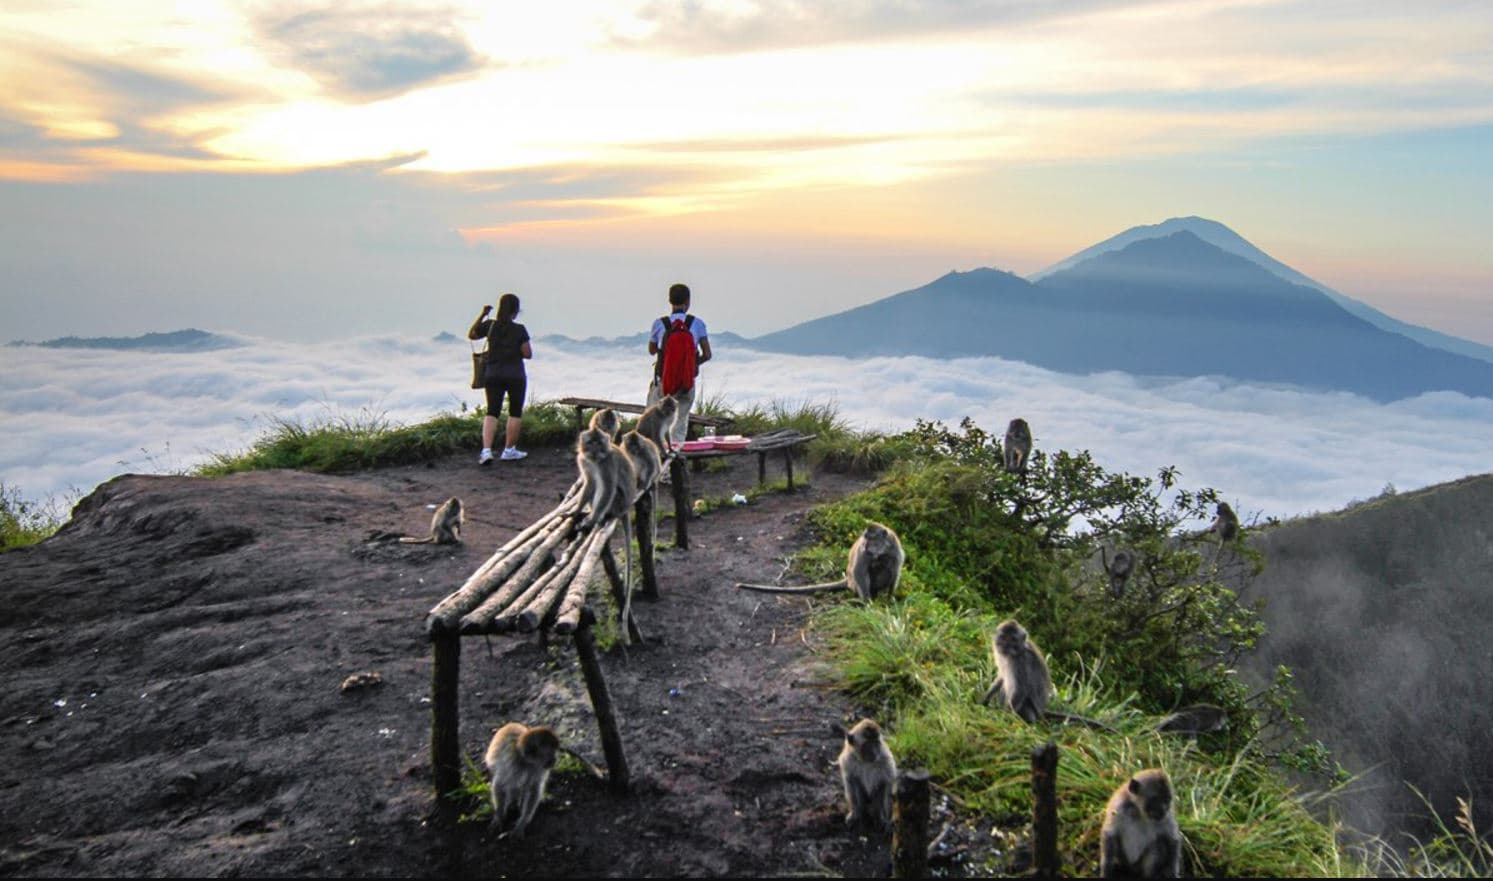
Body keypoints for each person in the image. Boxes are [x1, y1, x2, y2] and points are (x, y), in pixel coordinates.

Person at [468, 293, 533, 463]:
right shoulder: (519, 329)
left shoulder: (490, 326)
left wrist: (483, 315)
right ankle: (509, 450)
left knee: (492, 411)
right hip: (515, 375)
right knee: (515, 411)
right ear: (516, 310)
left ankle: (486, 451)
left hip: (493, 373)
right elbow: (527, 354)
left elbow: (472, 334)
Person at [647, 282, 711, 448]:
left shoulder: (659, 324)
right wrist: (689, 365)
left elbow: (652, 350)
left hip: (664, 381)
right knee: (679, 425)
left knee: (656, 424)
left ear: (669, 301)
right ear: (688, 301)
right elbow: (707, 354)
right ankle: (677, 458)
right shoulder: (697, 323)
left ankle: (658, 457)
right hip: (686, 383)